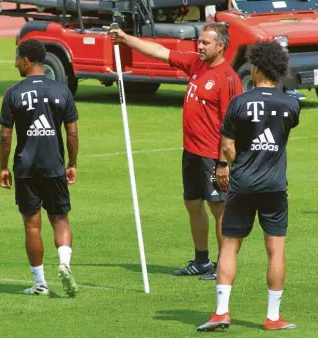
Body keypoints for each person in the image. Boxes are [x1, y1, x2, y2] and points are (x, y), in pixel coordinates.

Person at [103, 23, 242, 280]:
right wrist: (125, 39)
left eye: (205, 43)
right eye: (199, 42)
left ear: (220, 46)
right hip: (191, 151)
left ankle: (224, 264)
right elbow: (159, 51)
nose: (199, 46)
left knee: (218, 208)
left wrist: (224, 164)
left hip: (212, 156)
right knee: (192, 203)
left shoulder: (228, 78)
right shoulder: (196, 64)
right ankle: (202, 261)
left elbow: (230, 125)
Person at [197, 41, 300, 331]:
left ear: (255, 68)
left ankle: (221, 312)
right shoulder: (291, 103)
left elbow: (227, 147)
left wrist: (231, 163)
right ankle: (273, 317)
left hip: (242, 184)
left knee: (230, 246)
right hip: (275, 187)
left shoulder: (239, 103)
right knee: (275, 250)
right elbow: (281, 132)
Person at [0, 39, 79, 297]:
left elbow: (5, 136)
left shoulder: (13, 92)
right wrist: (72, 163)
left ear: (25, 60)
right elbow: (72, 133)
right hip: (54, 166)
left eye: (17, 58)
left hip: (25, 168)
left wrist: (3, 167)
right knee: (60, 219)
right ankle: (64, 265)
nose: (14, 63)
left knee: (33, 227)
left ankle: (40, 284)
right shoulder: (62, 91)